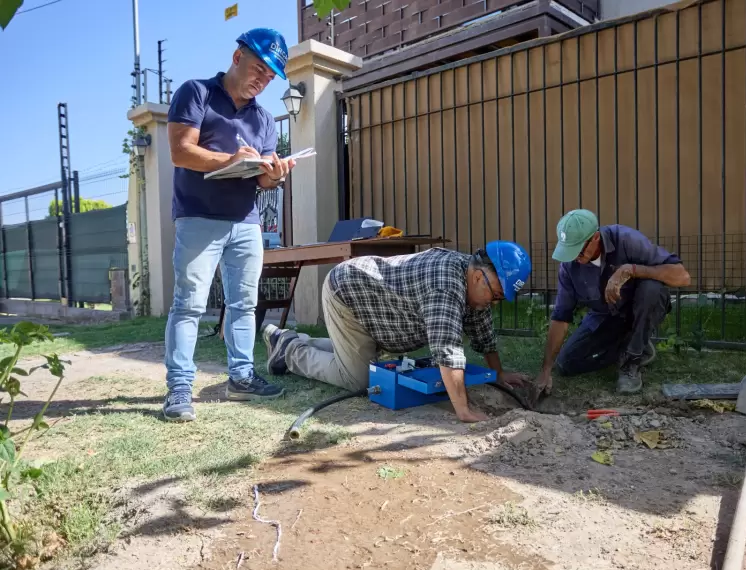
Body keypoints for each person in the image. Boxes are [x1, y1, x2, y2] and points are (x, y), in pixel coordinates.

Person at [162, 28, 296, 422]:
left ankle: (241, 378)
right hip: (198, 217)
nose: (262, 80)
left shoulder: (264, 118)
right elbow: (180, 152)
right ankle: (180, 389)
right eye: (258, 69)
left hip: (245, 222)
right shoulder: (196, 93)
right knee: (188, 305)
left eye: (270, 77)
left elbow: (263, 181)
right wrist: (231, 159)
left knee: (244, 305)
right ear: (237, 57)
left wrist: (276, 173)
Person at [261, 242, 533, 423]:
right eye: (496, 295)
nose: (494, 303)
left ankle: (295, 340)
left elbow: (483, 334)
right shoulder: (446, 285)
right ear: (478, 277)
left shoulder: (474, 282)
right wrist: (463, 409)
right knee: (359, 379)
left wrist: (498, 374)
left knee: (365, 360)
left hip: (374, 302)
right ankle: (289, 350)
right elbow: (447, 349)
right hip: (349, 294)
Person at [533, 209, 691, 397]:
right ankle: (632, 348)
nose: (575, 256)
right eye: (569, 249)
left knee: (652, 289)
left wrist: (631, 270)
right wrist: (545, 370)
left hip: (638, 309)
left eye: (579, 248)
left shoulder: (626, 239)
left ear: (596, 238)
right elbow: (560, 317)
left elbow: (682, 277)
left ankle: (631, 361)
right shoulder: (568, 267)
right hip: (605, 316)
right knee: (566, 364)